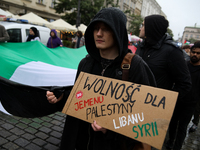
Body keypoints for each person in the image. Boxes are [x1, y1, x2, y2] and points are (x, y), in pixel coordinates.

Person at [46, 7, 156, 150]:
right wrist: (62, 97)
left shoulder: (135, 66)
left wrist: (110, 129)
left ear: (118, 32)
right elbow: (80, 98)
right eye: (96, 28)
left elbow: (148, 118)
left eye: (106, 29)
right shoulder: (85, 63)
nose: (99, 33)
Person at [135, 15, 192, 150]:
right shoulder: (141, 47)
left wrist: (165, 102)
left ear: (151, 28)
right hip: (134, 107)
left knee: (149, 146)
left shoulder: (171, 51)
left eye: (143, 25)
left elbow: (185, 83)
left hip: (155, 113)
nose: (140, 27)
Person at [188, 41, 200, 133]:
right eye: (193, 52)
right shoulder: (185, 65)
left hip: (197, 97)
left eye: (198, 53)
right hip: (185, 96)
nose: (195, 54)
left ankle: (195, 123)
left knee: (197, 110)